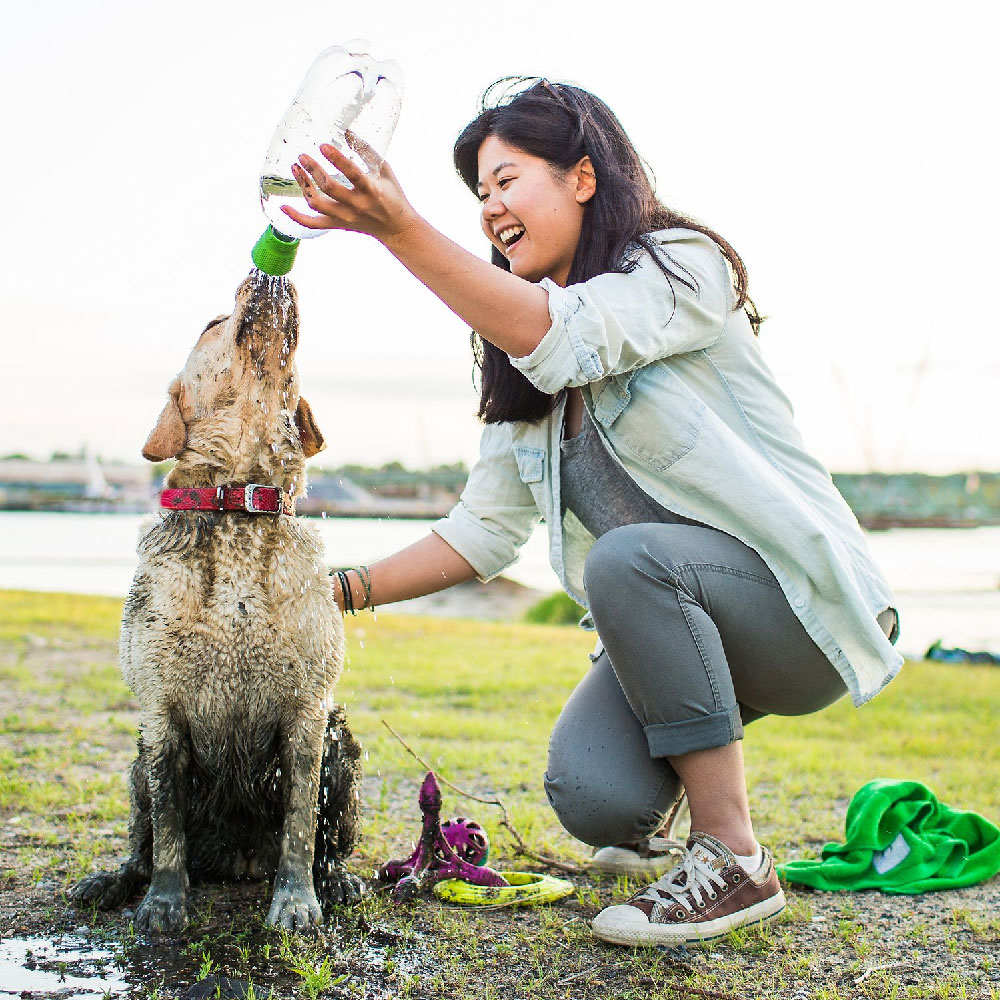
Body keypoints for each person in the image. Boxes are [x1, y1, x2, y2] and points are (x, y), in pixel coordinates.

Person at [284, 78, 902, 947]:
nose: (491, 208)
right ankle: (670, 811)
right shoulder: (526, 372)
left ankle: (733, 858)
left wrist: (398, 229)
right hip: (696, 628)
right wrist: (330, 590)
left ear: (581, 177)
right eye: (479, 194)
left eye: (507, 180)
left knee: (626, 559)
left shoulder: (681, 269)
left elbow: (567, 333)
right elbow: (480, 533)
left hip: (799, 614)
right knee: (593, 799)